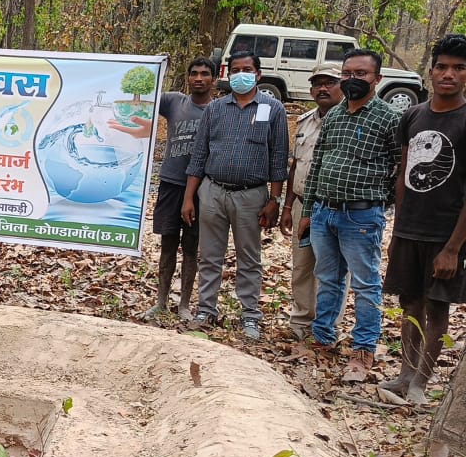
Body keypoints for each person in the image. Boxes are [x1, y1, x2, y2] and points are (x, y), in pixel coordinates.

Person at [382, 34, 466, 402]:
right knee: (410, 304)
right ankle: (404, 375)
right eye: (443, 67)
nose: (449, 74)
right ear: (430, 72)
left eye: (458, 68)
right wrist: (398, 229)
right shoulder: (413, 115)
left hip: (445, 234)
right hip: (409, 230)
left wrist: (454, 247)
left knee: (436, 307)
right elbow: (403, 174)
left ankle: (420, 382)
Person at [298, 51, 402, 376]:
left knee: (366, 284)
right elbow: (316, 166)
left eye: (361, 73)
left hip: (361, 217)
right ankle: (323, 338)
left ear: (377, 79)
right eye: (347, 73)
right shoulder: (334, 116)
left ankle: (363, 350)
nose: (352, 79)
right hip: (323, 213)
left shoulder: (389, 119)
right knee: (328, 279)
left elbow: (399, 169)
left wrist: (380, 205)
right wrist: (307, 209)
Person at [182, 50, 289, 340]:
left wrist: (274, 200)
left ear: (258, 75)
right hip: (213, 191)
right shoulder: (215, 109)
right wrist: (189, 197)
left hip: (251, 195)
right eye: (236, 69)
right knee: (210, 255)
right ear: (228, 75)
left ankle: (250, 315)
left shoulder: (273, 109)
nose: (241, 74)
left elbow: (279, 158)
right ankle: (206, 309)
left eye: (247, 69)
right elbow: (199, 154)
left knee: (249, 257)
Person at [119, 58, 215, 320]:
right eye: (193, 73)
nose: (198, 78)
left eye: (204, 74)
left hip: (202, 189)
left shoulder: (219, 110)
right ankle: (161, 301)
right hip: (171, 183)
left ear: (212, 80)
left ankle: (184, 304)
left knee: (192, 248)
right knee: (168, 246)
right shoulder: (175, 102)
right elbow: (142, 96)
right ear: (187, 77)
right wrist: (158, 67)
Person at [280, 65, 345, 340]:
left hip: (333, 208)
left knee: (333, 270)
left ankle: (327, 326)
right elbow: (296, 165)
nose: (322, 88)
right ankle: (300, 322)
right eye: (317, 84)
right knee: (302, 265)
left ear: (341, 86)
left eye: (329, 83)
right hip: (302, 204)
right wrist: (287, 205)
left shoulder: (348, 120)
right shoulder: (305, 121)